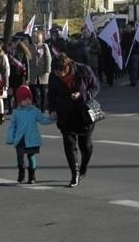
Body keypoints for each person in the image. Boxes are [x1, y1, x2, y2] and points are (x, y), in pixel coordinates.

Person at [48, 53, 100, 187]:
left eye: (61, 72)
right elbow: (51, 94)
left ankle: (84, 167)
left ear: (67, 67)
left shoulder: (84, 70)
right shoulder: (54, 76)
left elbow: (95, 87)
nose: (58, 75)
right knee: (69, 145)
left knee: (85, 146)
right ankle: (74, 173)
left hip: (84, 114)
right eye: (56, 72)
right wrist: (52, 110)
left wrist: (81, 95)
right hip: (65, 114)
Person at [6, 85, 54, 184]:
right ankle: (21, 173)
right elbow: (12, 127)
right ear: (19, 101)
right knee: (20, 157)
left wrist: (53, 119)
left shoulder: (34, 111)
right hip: (20, 139)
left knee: (31, 156)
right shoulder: (16, 113)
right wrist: (10, 139)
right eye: (25, 99)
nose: (28, 101)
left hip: (31, 138)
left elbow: (43, 120)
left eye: (29, 99)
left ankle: (32, 176)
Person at [7, 33, 31, 112]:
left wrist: (27, 78)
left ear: (17, 43)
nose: (12, 44)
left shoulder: (22, 52)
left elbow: (26, 65)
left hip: (19, 75)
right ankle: (10, 108)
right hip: (11, 75)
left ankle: (18, 107)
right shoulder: (9, 52)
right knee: (10, 92)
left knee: (17, 92)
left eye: (13, 43)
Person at [30, 29, 51, 113]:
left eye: (35, 36)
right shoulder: (30, 46)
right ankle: (37, 108)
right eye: (32, 37)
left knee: (43, 92)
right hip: (34, 73)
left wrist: (47, 69)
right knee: (35, 92)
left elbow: (48, 58)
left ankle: (42, 109)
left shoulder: (44, 46)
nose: (33, 38)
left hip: (43, 73)